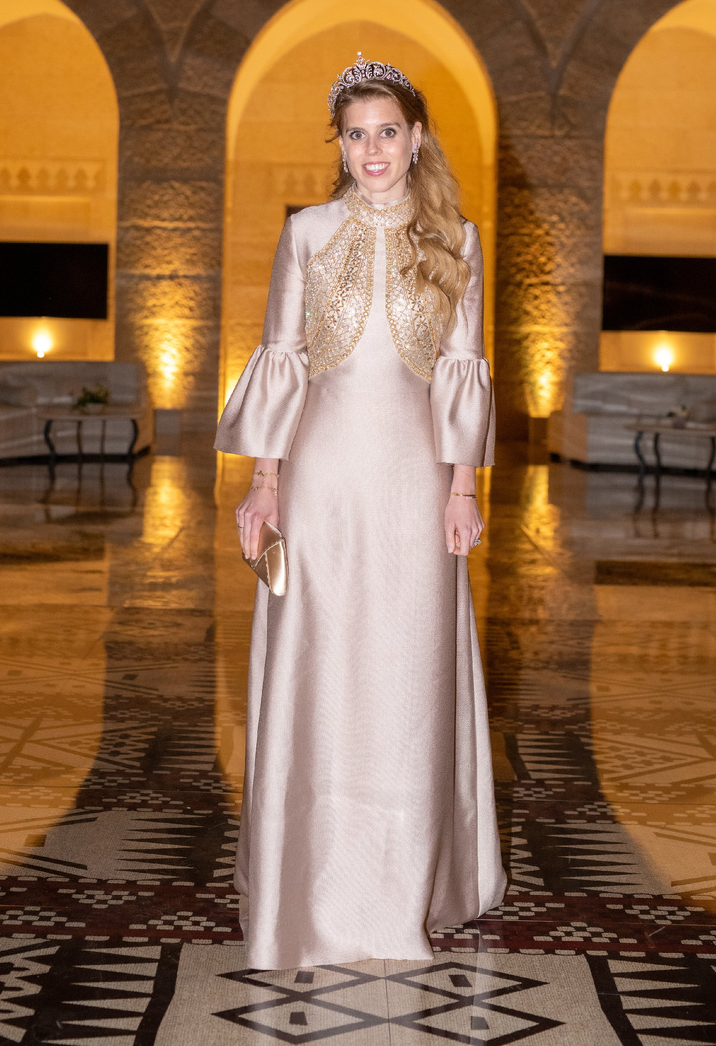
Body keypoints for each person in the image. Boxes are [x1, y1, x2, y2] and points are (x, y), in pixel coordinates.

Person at [215, 52, 506, 970]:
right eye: (355, 134)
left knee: (408, 671)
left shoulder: (457, 237)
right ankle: (307, 883)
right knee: (319, 660)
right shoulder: (306, 231)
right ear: (338, 146)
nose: (371, 149)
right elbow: (283, 359)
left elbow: (462, 369)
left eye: (386, 131)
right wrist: (265, 483)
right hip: (321, 480)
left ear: (415, 139)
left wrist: (462, 489)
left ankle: (405, 887)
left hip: (416, 482)